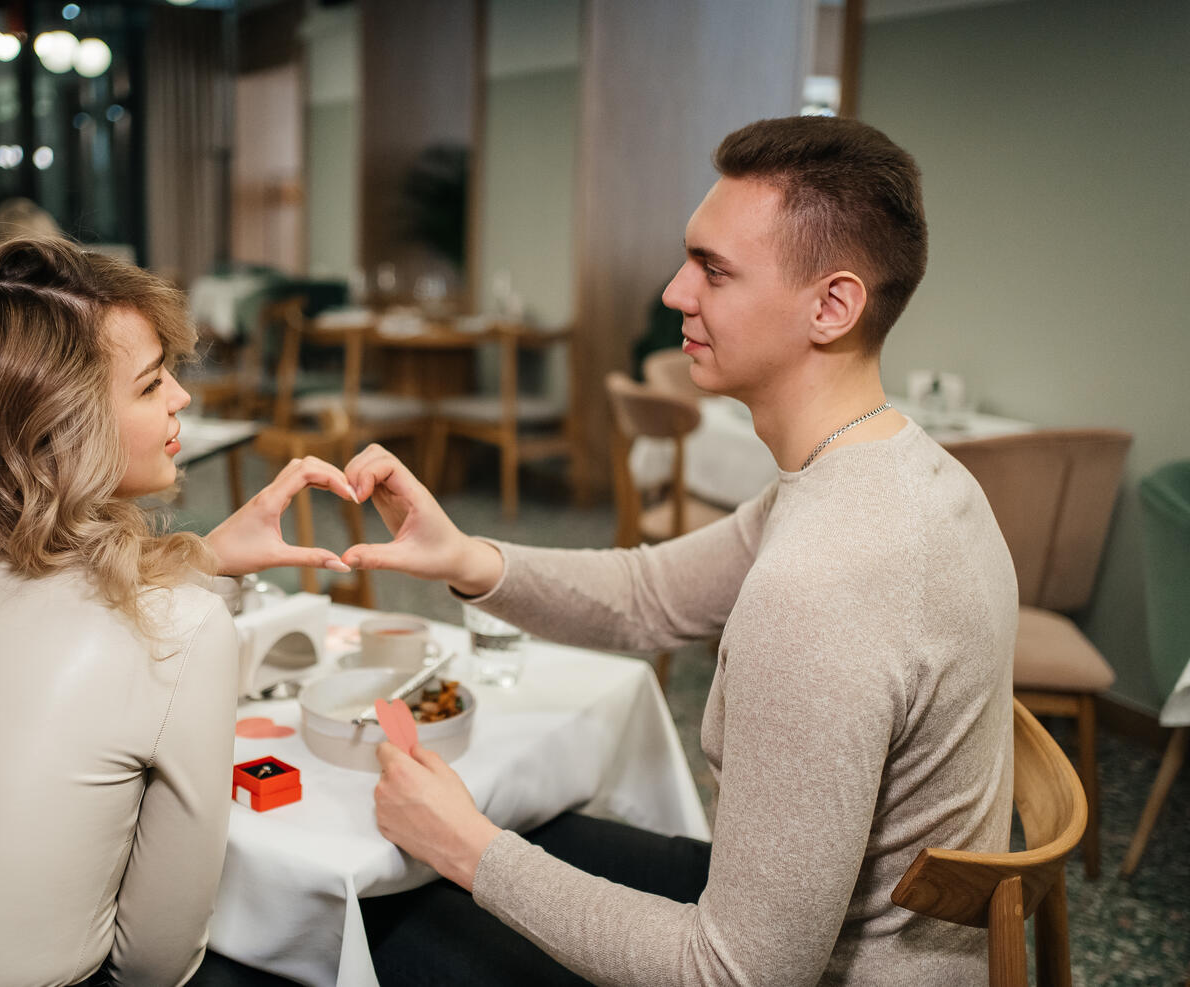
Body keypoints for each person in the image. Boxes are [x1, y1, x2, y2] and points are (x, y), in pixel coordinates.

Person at [338, 116, 1018, 984]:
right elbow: (652, 593)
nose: (673, 292)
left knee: (379, 927)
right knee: (516, 843)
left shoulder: (822, 584)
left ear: (832, 306)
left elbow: (736, 972)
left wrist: (471, 850)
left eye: (714, 270)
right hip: (856, 930)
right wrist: (465, 556)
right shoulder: (893, 468)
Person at [0, 237, 355, 987]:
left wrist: (200, 557)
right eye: (152, 385)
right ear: (59, 429)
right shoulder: (179, 631)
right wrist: (191, 588)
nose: (183, 398)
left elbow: (15, 601)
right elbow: (155, 960)